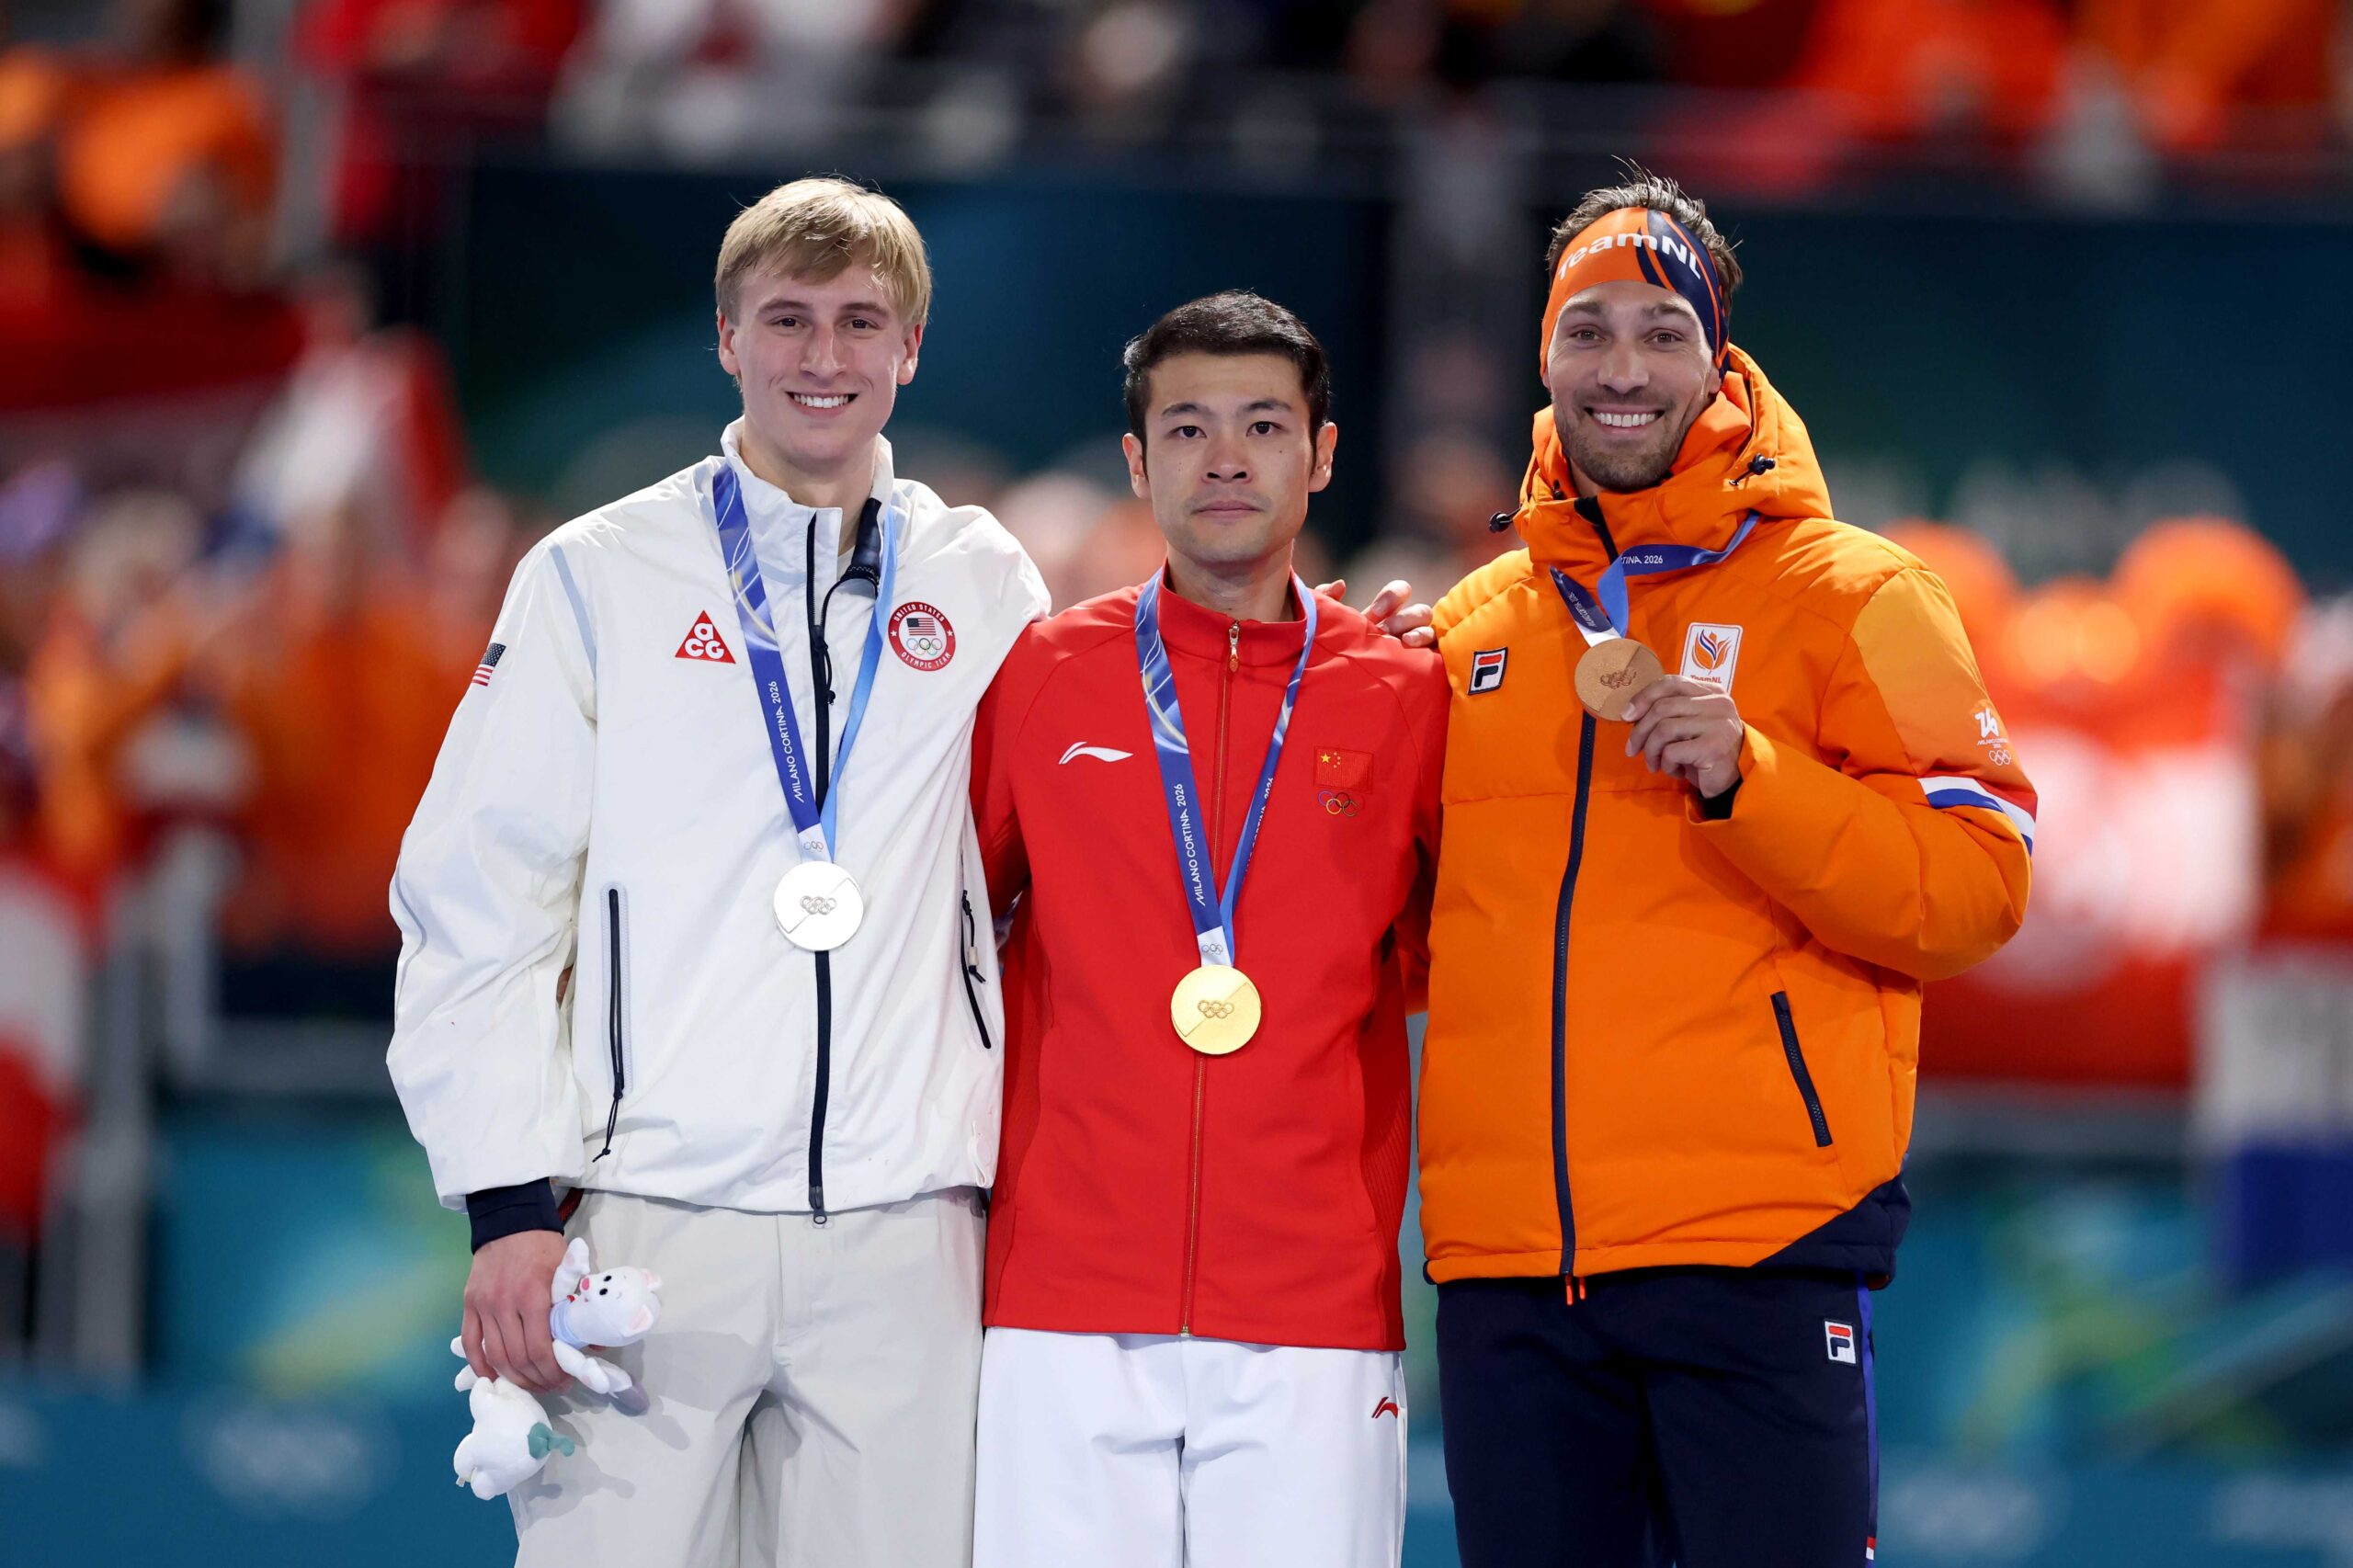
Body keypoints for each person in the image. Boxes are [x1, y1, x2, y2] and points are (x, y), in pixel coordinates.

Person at [387, 176, 1046, 1568]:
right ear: (727, 337)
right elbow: (477, 899)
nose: (824, 356)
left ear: (912, 345)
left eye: (861, 321)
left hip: (909, 1220)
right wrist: (508, 1208)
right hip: (653, 1216)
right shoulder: (597, 573)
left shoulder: (987, 581)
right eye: (789, 319)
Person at [1419, 169, 2038, 1568]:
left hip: (1756, 1247)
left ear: (1718, 357)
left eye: (1659, 331)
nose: (1621, 369)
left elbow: (1980, 881)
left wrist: (1754, 780)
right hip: (1515, 1273)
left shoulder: (1858, 595)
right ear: (1544, 357)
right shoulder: (1475, 629)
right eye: (1588, 332)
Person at [968, 291, 1447, 1568]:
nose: (1225, 458)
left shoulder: (1409, 695)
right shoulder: (1044, 674)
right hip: (1061, 1292)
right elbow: (946, 943)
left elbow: (1452, 955)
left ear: (1323, 453)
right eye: (1185, 427)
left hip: (1312, 1306)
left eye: (1262, 425)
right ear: (1136, 463)